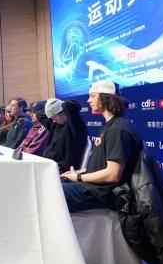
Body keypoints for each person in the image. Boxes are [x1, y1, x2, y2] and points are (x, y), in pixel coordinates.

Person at [60, 80, 143, 212]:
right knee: (56, 184)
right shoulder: (110, 126)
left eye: (92, 96)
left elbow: (112, 174)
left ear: (105, 98)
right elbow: (102, 166)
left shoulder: (117, 130)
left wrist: (79, 177)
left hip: (104, 193)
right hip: (96, 188)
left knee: (52, 191)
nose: (88, 100)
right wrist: (79, 173)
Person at [40, 98, 88, 173]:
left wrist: (59, 105)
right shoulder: (55, 125)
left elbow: (70, 105)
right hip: (51, 164)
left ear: (63, 112)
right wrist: (49, 106)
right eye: (52, 118)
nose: (53, 120)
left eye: (54, 117)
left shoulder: (75, 125)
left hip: (64, 169)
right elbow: (40, 115)